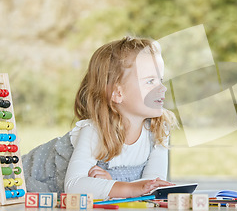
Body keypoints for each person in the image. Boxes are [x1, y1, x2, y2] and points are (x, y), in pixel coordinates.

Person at [23, 37, 177, 199]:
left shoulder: (159, 130)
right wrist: (118, 186)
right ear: (118, 93)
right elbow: (74, 186)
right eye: (150, 81)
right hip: (28, 176)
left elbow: (152, 185)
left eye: (160, 80)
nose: (162, 88)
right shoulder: (94, 130)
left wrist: (114, 185)